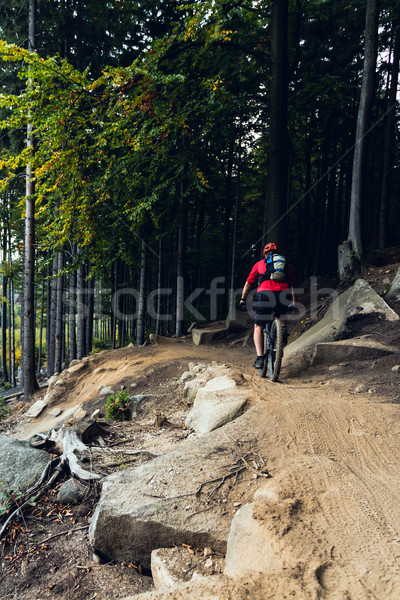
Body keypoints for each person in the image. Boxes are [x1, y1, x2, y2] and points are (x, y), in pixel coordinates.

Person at [240, 242, 296, 369]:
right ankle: (282, 332)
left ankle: (260, 358)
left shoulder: (259, 264)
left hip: (265, 294)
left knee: (258, 326)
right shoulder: (286, 264)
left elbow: (248, 284)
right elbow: (293, 284)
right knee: (281, 318)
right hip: (283, 294)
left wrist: (243, 299)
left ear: (265, 254)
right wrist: (293, 301)